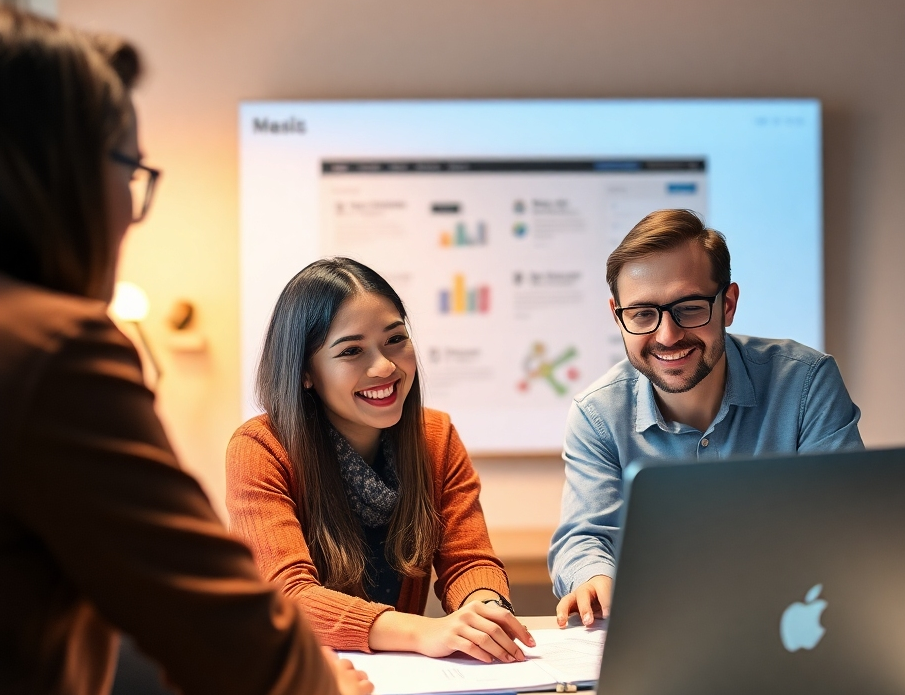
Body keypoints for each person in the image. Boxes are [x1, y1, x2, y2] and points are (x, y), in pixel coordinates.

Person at [0, 9, 372, 695]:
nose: (132, 208)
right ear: (56, 171)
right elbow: (238, 645)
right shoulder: (53, 350)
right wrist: (330, 687)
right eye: (128, 169)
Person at [551, 208, 863, 628]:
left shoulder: (806, 383)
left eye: (689, 308)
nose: (667, 336)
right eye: (642, 314)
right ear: (618, 316)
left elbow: (846, 525)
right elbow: (584, 537)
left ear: (727, 305)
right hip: (664, 633)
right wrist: (593, 577)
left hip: (791, 623)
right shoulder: (598, 415)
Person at [226, 257, 535, 663]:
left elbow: (468, 562)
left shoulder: (436, 436)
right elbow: (288, 596)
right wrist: (423, 631)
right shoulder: (260, 448)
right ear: (305, 372)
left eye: (395, 339)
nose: (385, 366)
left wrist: (486, 608)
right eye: (352, 350)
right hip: (298, 674)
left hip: (398, 677)